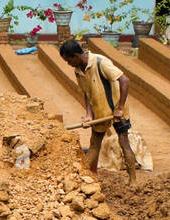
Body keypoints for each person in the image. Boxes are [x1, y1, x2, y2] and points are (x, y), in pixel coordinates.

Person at [59, 37, 138, 182]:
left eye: (68, 61)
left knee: (123, 141)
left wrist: (120, 107)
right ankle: (86, 180)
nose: (68, 64)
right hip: (100, 112)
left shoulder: (100, 62)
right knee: (94, 143)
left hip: (117, 110)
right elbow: (86, 93)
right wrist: (89, 115)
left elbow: (124, 80)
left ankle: (133, 180)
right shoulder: (78, 71)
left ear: (75, 56)